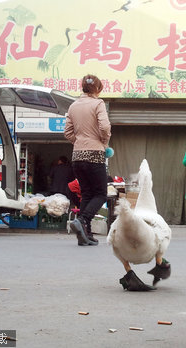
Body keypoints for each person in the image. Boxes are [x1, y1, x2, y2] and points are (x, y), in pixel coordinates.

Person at [64, 74, 111, 246]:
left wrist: (78, 141)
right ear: (98, 88)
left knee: (87, 194)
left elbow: (67, 132)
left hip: (77, 156)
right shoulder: (98, 103)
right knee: (100, 194)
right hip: (95, 154)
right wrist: (103, 141)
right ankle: (83, 220)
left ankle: (85, 234)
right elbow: (105, 127)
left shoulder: (73, 105)